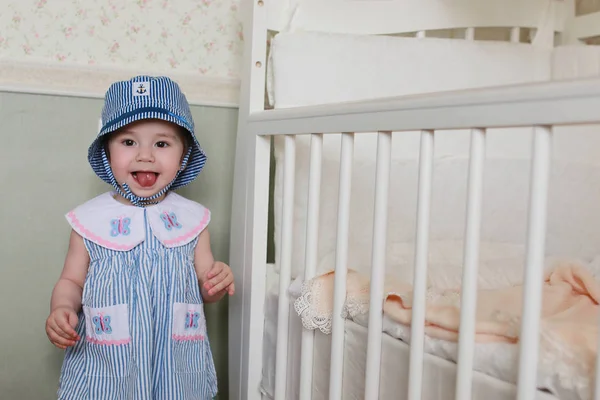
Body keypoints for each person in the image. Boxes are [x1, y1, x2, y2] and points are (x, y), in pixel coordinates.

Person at [45, 75, 234, 399]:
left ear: (183, 155)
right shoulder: (90, 221)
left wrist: (216, 279)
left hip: (173, 361)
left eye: (162, 144)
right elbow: (72, 281)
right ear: (107, 151)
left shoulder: (192, 221)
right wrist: (61, 308)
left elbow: (205, 287)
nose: (145, 155)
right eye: (129, 142)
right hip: (109, 360)